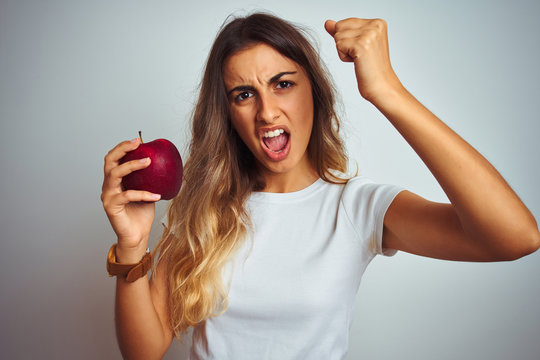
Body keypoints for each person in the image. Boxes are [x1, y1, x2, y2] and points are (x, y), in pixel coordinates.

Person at [100, 13, 540, 359]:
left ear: (315, 92)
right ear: (229, 113)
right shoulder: (206, 210)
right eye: (244, 94)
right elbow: (144, 351)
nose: (267, 112)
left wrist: (387, 90)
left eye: (283, 84)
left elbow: (515, 237)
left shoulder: (358, 207)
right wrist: (132, 245)